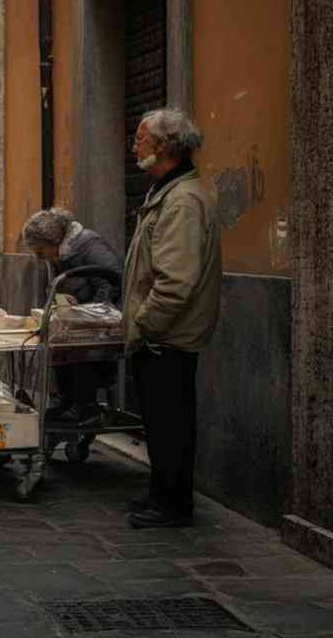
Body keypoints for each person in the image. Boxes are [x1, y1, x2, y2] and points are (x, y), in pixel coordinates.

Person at [124, 108, 221, 529]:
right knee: (162, 422)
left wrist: (145, 325)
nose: (135, 145)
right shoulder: (168, 190)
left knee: (170, 423)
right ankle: (163, 492)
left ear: (163, 146)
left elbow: (175, 281)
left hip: (166, 336)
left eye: (141, 139)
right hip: (162, 334)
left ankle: (172, 505)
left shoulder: (181, 200)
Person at [21, 207, 123, 425]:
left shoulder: (89, 245)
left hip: (99, 323)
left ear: (52, 241)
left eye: (40, 252)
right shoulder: (61, 253)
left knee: (77, 346)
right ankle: (66, 402)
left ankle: (85, 406)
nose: (39, 258)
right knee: (57, 344)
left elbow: (113, 280)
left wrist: (89, 314)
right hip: (78, 318)